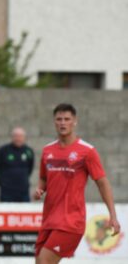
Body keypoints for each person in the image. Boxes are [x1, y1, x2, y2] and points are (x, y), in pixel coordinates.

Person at [33, 103, 121, 264]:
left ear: (75, 122)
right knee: (39, 261)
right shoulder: (47, 150)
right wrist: (39, 189)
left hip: (71, 221)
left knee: (44, 261)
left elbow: (102, 183)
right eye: (59, 119)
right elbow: (43, 178)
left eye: (67, 119)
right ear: (54, 122)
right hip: (49, 219)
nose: (62, 122)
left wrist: (113, 216)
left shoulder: (87, 151)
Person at [0, 127, 34, 202]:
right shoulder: (3, 151)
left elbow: (30, 169)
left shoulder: (29, 151)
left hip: (23, 192)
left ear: (24, 137)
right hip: (7, 193)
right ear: (12, 137)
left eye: (20, 136)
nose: (18, 138)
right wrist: (4, 183)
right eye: (16, 136)